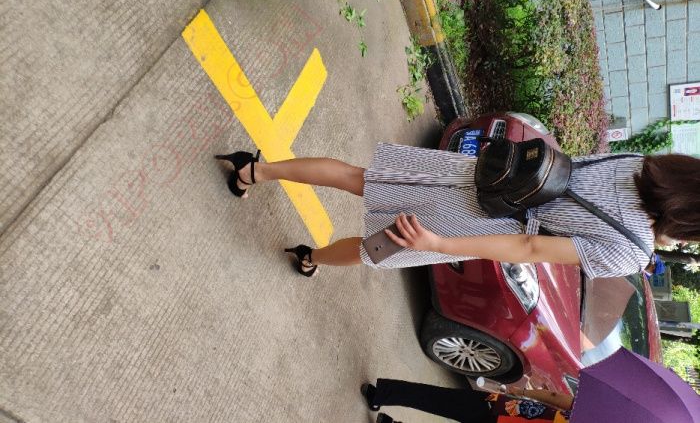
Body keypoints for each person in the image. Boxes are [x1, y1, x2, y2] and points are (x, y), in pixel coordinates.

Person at [214, 146, 700, 278]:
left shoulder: (639, 164)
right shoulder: (630, 252)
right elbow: (529, 247)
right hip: (478, 221)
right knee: (374, 249)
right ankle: (310, 257)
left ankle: (255, 169)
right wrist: (441, 244)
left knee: (358, 178)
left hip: (485, 174)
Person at [359, 378, 573, 422]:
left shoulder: (589, 410)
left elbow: (554, 397)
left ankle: (381, 393)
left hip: (506, 409)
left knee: (439, 399)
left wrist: (522, 392)